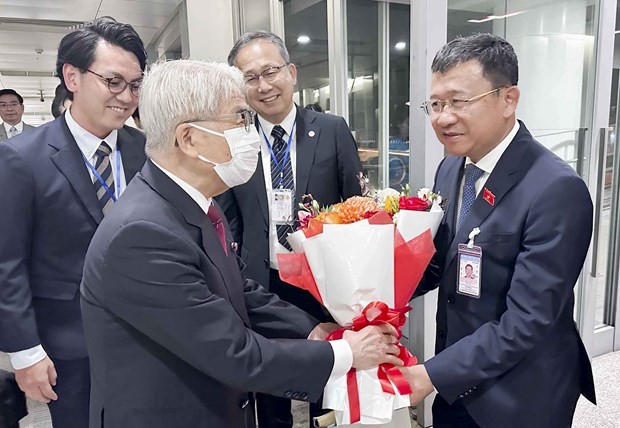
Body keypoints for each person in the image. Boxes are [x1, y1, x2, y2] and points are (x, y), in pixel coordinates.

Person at [80, 59, 403, 428]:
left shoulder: (192, 200)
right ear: (189, 138)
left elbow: (235, 287)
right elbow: (234, 353)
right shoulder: (142, 234)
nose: (249, 133)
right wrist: (346, 353)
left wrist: (312, 329)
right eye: (238, 119)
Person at [403, 33, 596, 428]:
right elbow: (441, 261)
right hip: (457, 376)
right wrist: (374, 296)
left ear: (508, 99)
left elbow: (527, 319)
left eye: (458, 102)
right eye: (436, 104)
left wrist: (430, 375)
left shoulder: (555, 188)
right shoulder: (453, 168)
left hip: (520, 394)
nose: (443, 117)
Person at [0, 17, 147, 428]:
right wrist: (25, 352)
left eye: (135, 85)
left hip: (150, 334)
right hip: (69, 343)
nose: (126, 97)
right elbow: (6, 262)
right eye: (113, 81)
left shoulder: (145, 150)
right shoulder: (21, 158)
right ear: (73, 77)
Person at [217, 31, 365, 428]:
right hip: (260, 284)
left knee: (327, 381)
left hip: (321, 284)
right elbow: (227, 215)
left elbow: (357, 208)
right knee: (269, 387)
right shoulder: (235, 141)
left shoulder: (332, 130)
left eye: (271, 71)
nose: (264, 86)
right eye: (250, 77)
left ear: (292, 72)